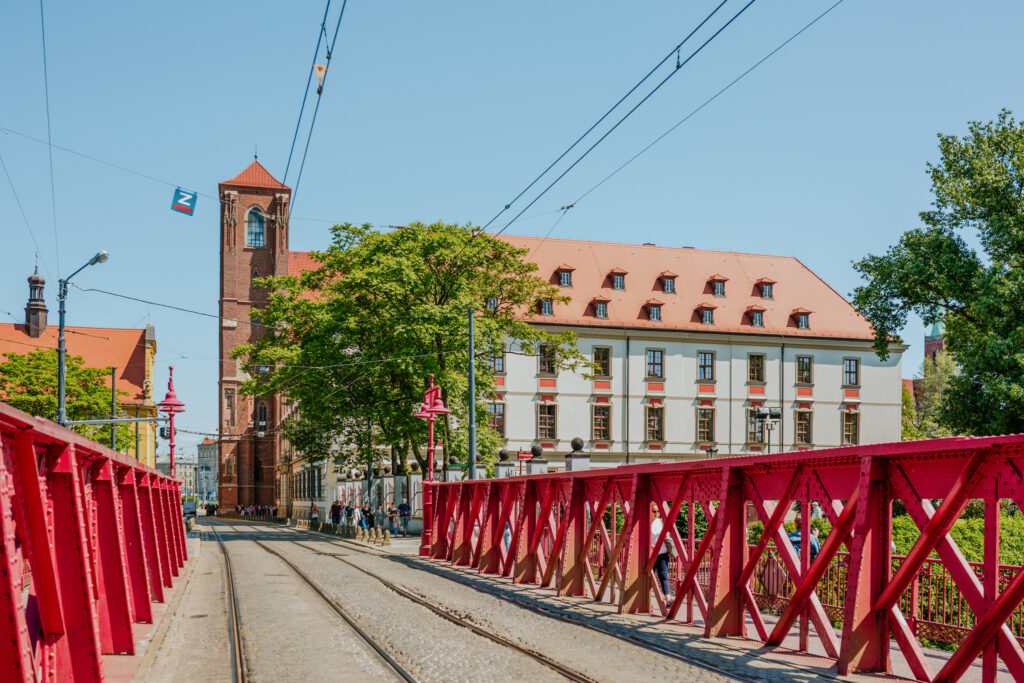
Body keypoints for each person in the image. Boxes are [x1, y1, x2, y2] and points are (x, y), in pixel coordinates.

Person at [650, 503, 671, 599]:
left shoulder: (661, 522)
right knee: (649, 578)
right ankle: (646, 601)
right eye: (654, 511)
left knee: (664, 576)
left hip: (662, 553)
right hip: (650, 555)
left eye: (658, 511)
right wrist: (650, 546)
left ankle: (668, 600)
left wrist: (667, 534)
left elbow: (667, 533)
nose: (656, 513)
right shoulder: (645, 523)